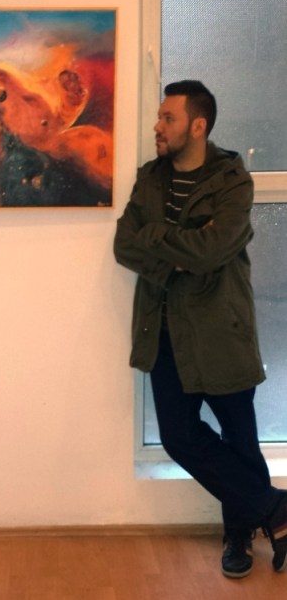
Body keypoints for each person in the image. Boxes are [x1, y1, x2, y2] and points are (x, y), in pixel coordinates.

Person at [113, 80, 287, 578]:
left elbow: (213, 251)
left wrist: (158, 238)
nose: (157, 126)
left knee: (241, 441)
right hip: (164, 331)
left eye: (167, 118)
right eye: (159, 117)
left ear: (198, 125)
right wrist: (179, 251)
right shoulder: (151, 179)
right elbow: (125, 245)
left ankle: (238, 535)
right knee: (179, 437)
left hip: (220, 330)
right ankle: (275, 508)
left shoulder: (232, 181)